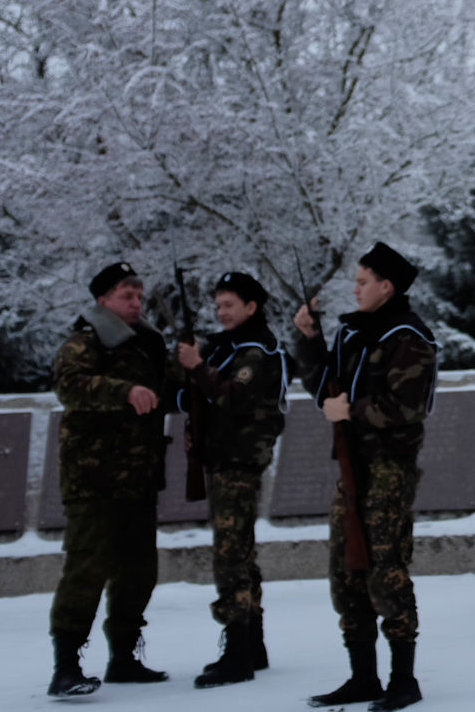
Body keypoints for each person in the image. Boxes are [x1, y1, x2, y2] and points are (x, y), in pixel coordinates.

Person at [293, 242, 437, 711]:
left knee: (385, 571)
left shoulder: (408, 337)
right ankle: (362, 677)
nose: (353, 289)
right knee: (345, 571)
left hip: (388, 469)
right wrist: (309, 340)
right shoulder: (355, 334)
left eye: (361, 281)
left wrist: (348, 411)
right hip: (352, 468)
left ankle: (403, 679)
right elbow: (323, 386)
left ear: (386, 286)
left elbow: (406, 407)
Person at [47, 261, 184, 697]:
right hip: (94, 479)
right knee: (87, 568)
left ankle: (124, 657)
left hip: (139, 477)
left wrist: (187, 364)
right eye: (127, 296)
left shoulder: (145, 342)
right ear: (103, 299)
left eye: (140, 296)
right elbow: (70, 386)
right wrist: (123, 390)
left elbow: (169, 391)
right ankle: (66, 665)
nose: (136, 303)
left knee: (138, 571)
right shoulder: (84, 342)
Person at [175, 271, 288, 688]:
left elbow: (232, 398)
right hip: (224, 459)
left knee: (230, 556)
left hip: (239, 462)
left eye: (229, 306)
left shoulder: (256, 351)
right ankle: (252, 645)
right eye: (218, 305)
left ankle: (238, 651)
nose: (221, 313)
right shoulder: (231, 347)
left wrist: (198, 366)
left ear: (251, 308)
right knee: (240, 552)